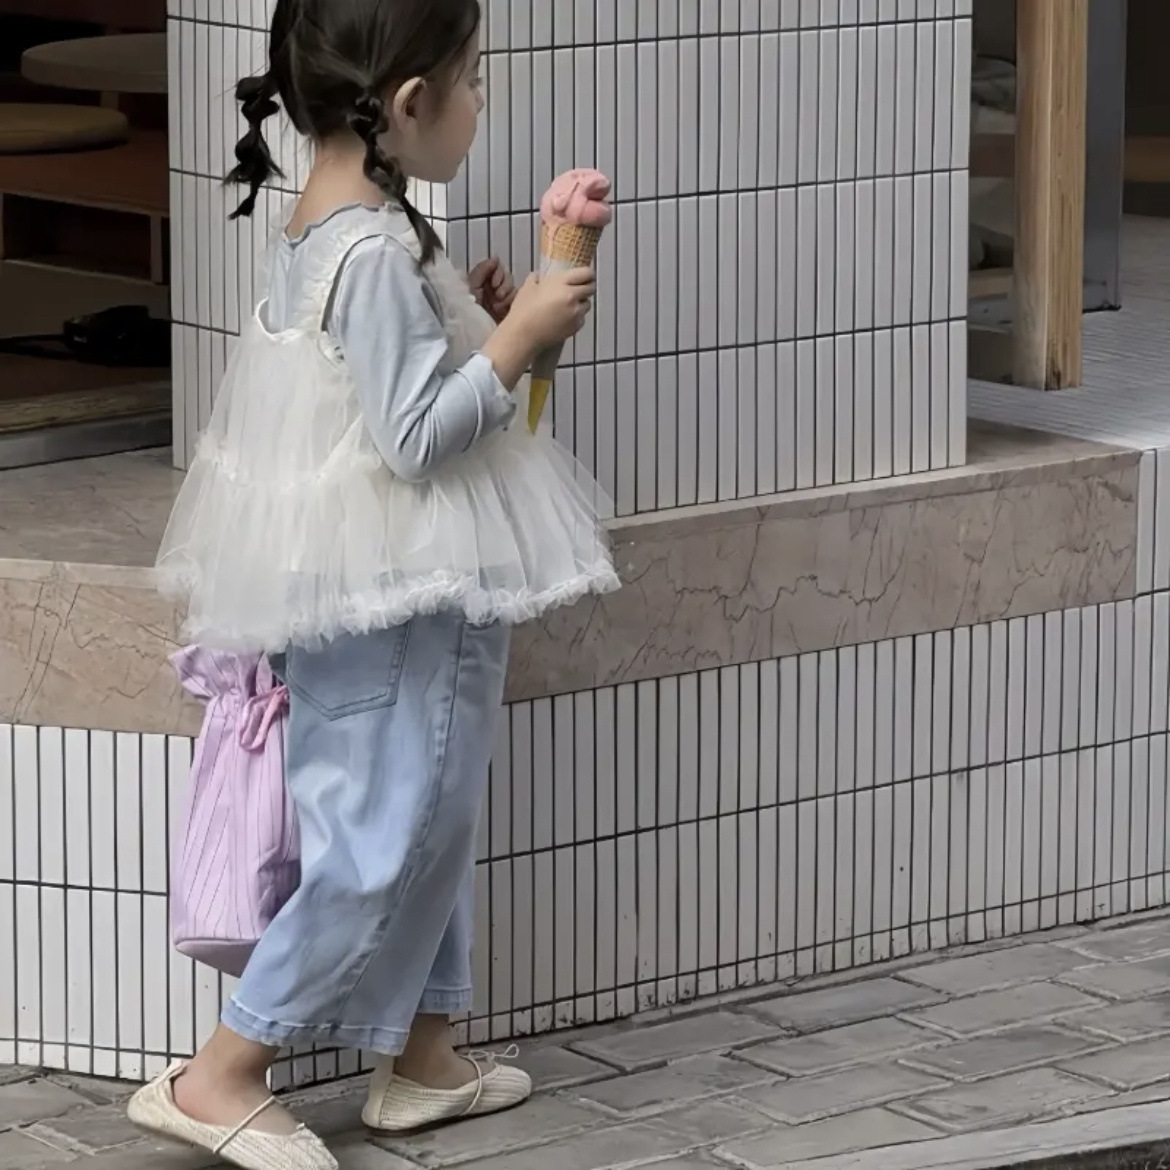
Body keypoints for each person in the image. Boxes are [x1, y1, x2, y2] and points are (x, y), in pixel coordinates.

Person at [127, 1, 618, 1166]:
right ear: (408, 102)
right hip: (401, 596)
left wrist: (489, 324)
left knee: (424, 818)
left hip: (372, 585)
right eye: (473, 77)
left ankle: (425, 1055)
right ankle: (221, 1071)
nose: (481, 101)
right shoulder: (375, 250)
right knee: (384, 839)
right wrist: (515, 339)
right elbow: (415, 438)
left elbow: (365, 399)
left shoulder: (332, 224)